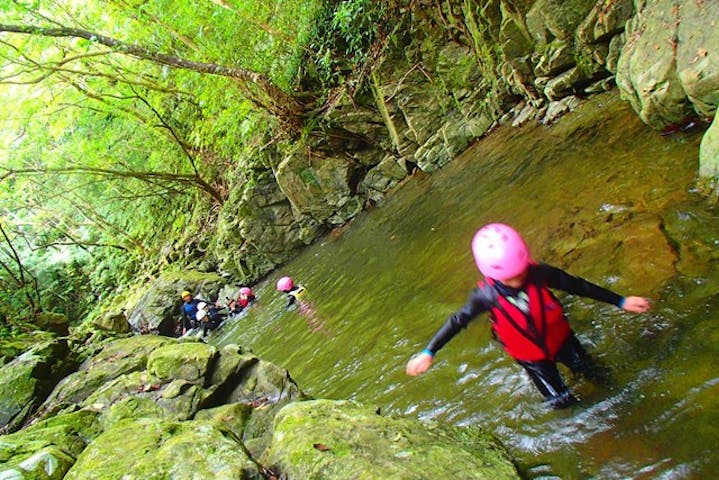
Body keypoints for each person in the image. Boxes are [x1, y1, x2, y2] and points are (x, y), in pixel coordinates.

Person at [405, 223, 652, 409]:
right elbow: (457, 321)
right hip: (533, 359)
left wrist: (620, 301)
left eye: (520, 272)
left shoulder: (540, 273)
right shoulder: (486, 296)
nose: (518, 280)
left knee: (602, 377)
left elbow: (579, 286)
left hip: (563, 341)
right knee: (561, 403)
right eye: (510, 277)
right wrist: (429, 352)